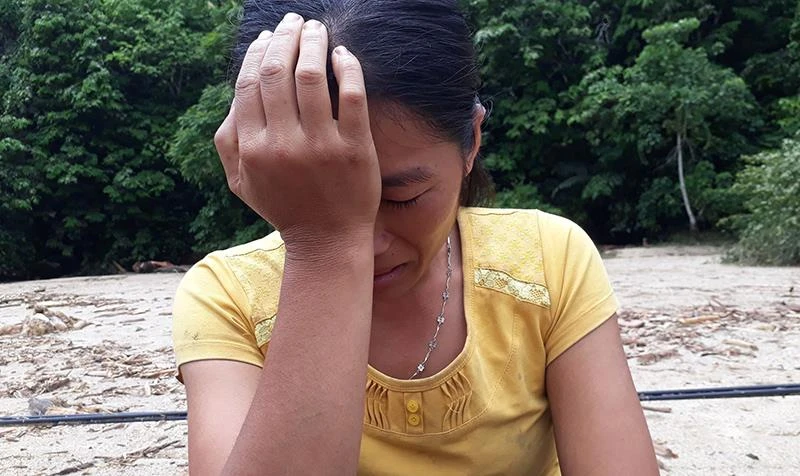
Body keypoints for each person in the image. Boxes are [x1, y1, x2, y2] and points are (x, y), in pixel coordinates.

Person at [171, 1, 660, 474]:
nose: (366, 244)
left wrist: (325, 239)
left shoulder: (546, 262)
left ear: (471, 142)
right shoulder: (228, 297)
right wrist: (323, 251)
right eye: (311, 199)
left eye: (401, 198)